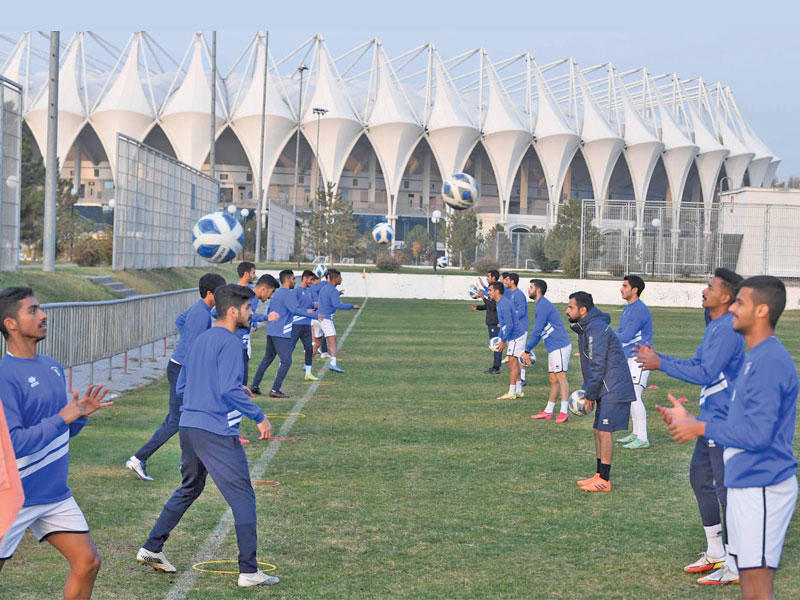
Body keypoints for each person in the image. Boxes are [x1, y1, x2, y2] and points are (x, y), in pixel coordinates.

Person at [656, 276, 797, 600]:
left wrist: (700, 428)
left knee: (758, 590)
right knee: (749, 586)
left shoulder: (770, 361)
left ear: (762, 310)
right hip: (746, 482)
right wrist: (689, 419)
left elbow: (758, 435)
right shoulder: (754, 357)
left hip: (762, 484)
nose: (732, 308)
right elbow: (738, 419)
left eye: (740, 303)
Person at [136, 284, 278, 588]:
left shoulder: (200, 340)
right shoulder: (230, 343)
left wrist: (214, 392)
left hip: (189, 426)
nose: (252, 314)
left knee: (190, 487)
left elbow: (183, 387)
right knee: (243, 497)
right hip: (214, 430)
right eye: (248, 308)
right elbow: (227, 389)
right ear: (232, 311)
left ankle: (151, 547)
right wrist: (259, 416)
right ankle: (249, 571)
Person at [0, 286, 111, 599]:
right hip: (13, 495)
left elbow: (61, 429)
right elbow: (14, 443)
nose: (43, 315)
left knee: (87, 562)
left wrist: (80, 416)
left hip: (53, 494)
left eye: (41, 309)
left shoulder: (52, 366)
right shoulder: (4, 376)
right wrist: (64, 417)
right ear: (10, 324)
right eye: (33, 311)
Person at [636, 268, 745, 585]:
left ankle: (737, 565)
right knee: (700, 479)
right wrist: (661, 359)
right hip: (708, 420)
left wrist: (660, 363)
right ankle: (716, 552)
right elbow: (699, 364)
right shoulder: (715, 326)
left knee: (727, 493)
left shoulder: (727, 328)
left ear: (725, 296)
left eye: (709, 287)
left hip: (725, 421)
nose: (703, 290)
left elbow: (707, 373)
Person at [126, 272, 226, 481]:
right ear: (210, 293)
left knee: (180, 418)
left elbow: (179, 321)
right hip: (183, 370)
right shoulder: (202, 315)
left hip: (179, 367)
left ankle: (189, 461)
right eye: (220, 292)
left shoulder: (201, 309)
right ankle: (138, 458)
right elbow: (193, 351)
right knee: (177, 420)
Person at [567, 291, 635, 492]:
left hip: (613, 388)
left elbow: (597, 363)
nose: (567, 310)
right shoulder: (588, 327)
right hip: (604, 388)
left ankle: (604, 480)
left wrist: (588, 393)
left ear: (583, 310)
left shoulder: (596, 329)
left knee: (604, 431)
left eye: (570, 307)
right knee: (597, 429)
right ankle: (599, 474)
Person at [250, 270, 315, 398]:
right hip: (282, 333)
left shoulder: (276, 293)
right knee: (286, 361)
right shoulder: (287, 293)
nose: (294, 281)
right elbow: (295, 310)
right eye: (293, 279)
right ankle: (275, 389)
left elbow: (270, 310)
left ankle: (255, 386)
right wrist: (313, 315)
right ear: (289, 279)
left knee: (267, 359)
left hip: (271, 331)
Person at [614, 275, 654, 449]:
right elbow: (620, 332)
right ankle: (636, 433)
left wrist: (603, 335)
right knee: (631, 396)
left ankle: (643, 438)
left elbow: (626, 335)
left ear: (634, 290)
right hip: (630, 357)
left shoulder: (639, 310)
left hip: (641, 358)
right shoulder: (628, 308)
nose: (621, 289)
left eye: (624, 286)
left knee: (635, 395)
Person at [525, 279, 572, 424]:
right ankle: (548, 410)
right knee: (553, 379)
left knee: (561, 377)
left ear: (538, 290)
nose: (529, 289)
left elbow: (537, 330)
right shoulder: (540, 305)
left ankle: (564, 412)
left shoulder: (543, 305)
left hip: (559, 346)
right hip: (553, 348)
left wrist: (527, 349)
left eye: (531, 287)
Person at [313, 269, 360, 373]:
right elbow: (337, 305)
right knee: (333, 341)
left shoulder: (324, 288)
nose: (341, 279)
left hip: (316, 318)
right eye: (340, 277)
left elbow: (326, 300)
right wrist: (352, 306)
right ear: (335, 278)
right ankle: (333, 363)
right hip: (325, 319)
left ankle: (307, 365)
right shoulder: (332, 290)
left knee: (316, 343)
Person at [488, 281, 524, 401]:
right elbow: (503, 324)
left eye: (490, 290)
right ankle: (519, 391)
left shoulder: (503, 304)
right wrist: (499, 338)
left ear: (497, 291)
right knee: (515, 363)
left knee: (512, 364)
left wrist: (503, 341)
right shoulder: (500, 302)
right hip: (515, 335)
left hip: (515, 336)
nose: (489, 293)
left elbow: (509, 325)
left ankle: (511, 392)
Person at [471, 269, 502, 374]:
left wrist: (483, 297)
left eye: (488, 276)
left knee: (496, 345)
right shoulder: (492, 290)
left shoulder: (495, 290)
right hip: (492, 322)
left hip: (495, 322)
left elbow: (493, 306)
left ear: (493, 278)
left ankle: (496, 368)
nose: (487, 278)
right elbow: (489, 305)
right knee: (495, 345)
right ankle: (496, 366)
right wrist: (478, 307)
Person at [292, 270, 319, 382]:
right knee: (289, 348)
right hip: (296, 325)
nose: (312, 282)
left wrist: (315, 305)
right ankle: (281, 367)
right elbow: (294, 308)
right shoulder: (296, 291)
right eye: (311, 280)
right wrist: (306, 310)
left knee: (309, 348)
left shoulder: (309, 291)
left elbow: (311, 305)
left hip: (307, 325)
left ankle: (308, 373)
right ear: (305, 278)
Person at [309, 274, 331, 360]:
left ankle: (323, 351)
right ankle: (315, 349)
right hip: (316, 313)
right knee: (317, 332)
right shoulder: (314, 287)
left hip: (318, 312)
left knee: (319, 333)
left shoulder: (319, 286)